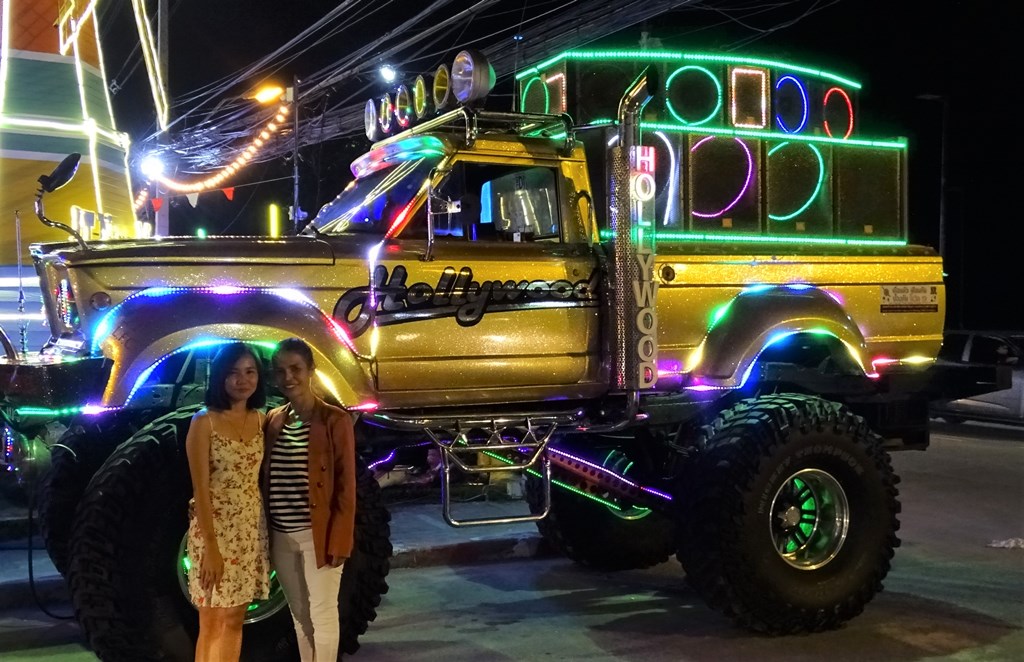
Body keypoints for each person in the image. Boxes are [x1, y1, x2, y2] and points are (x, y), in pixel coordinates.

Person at [264, 337, 357, 662]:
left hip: (317, 534)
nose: (288, 377)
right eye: (280, 371)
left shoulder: (334, 420)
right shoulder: (275, 420)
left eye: (295, 369)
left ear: (311, 371)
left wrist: (340, 539)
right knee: (300, 616)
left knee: (322, 614)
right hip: (281, 536)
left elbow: (347, 486)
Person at [185, 342, 270, 662]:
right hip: (215, 532)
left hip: (250, 531)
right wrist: (210, 549)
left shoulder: (262, 420)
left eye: (250, 372)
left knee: (235, 619)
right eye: (233, 373)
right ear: (220, 377)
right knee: (212, 621)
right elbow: (201, 488)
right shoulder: (203, 422)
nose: (243, 380)